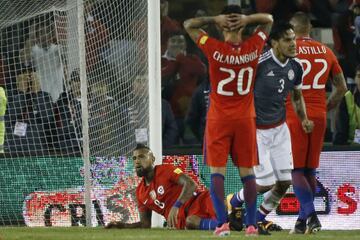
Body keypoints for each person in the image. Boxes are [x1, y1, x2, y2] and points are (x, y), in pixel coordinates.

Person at [184, 4, 273, 236]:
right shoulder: (254, 46)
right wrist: (247, 18)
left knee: (217, 172)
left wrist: (216, 18)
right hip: (245, 119)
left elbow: (188, 25)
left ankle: (222, 224)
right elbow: (269, 20)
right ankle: (252, 225)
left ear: (223, 26)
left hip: (219, 119)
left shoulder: (213, 48)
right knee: (248, 173)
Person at [227, 22, 314, 235]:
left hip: (280, 129)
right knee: (265, 184)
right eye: (287, 39)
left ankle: (256, 219)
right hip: (256, 131)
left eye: (293, 38)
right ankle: (235, 203)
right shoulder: (259, 64)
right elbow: (239, 92)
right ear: (274, 43)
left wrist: (304, 118)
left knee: (284, 183)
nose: (293, 43)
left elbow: (296, 95)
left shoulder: (296, 67)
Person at [286, 12, 347, 234]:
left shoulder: (289, 51)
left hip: (295, 114)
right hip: (319, 115)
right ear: (309, 28)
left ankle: (311, 216)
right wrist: (327, 106)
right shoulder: (327, 51)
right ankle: (302, 222)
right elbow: (341, 88)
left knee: (295, 169)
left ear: (293, 29)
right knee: (309, 170)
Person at [105, 144, 218, 230]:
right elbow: (145, 224)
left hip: (201, 201)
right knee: (191, 222)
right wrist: (123, 226)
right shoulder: (140, 192)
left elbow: (191, 184)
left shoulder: (165, 170)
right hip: (185, 220)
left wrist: (176, 206)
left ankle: (230, 218)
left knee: (214, 204)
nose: (137, 161)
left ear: (152, 159)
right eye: (134, 158)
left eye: (141, 157)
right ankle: (228, 224)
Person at [333, 64, 360, 145]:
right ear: (355, 79)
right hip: (353, 151)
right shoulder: (347, 98)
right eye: (359, 76)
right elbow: (340, 135)